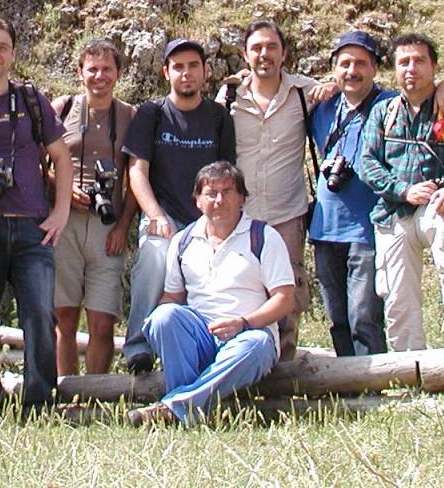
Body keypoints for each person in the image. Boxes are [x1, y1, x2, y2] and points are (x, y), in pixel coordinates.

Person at [0, 17, 74, 413]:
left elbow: (61, 156)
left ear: (13, 54)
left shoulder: (30, 100)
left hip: (32, 228)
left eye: (3, 47)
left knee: (40, 318)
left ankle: (39, 402)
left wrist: (60, 212)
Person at [128, 161, 294, 426]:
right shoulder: (183, 241)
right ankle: (190, 409)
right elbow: (172, 298)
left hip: (246, 336)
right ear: (197, 200)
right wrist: (155, 326)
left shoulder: (263, 237)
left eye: (227, 192)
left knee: (257, 345)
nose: (219, 200)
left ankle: (176, 407)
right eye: (211, 193)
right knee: (163, 317)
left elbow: (285, 299)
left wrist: (244, 323)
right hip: (201, 336)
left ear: (241, 197)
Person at [358, 34, 444, 351]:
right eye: (404, 62)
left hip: (437, 204)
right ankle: (409, 367)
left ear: (435, 66)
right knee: (397, 298)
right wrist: (403, 190)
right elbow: (367, 163)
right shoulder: (383, 113)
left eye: (419, 61)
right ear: (394, 69)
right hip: (395, 212)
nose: (411, 68)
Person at [122, 38, 236, 373]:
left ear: (205, 71)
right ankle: (138, 347)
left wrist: (220, 222)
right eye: (178, 67)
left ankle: (210, 348)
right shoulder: (152, 114)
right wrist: (156, 215)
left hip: (207, 219)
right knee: (155, 257)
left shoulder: (219, 118)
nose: (186, 73)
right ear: (166, 72)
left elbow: (226, 175)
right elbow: (137, 172)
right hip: (164, 217)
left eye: (193, 66)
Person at [215, 19, 317, 360]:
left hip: (287, 212)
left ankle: (284, 370)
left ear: (284, 52)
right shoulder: (229, 96)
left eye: (271, 47)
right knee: (241, 289)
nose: (264, 54)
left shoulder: (305, 93)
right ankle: (244, 365)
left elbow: (345, 95)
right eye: (256, 48)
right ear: (245, 55)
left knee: (287, 294)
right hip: (240, 216)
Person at [51, 39, 137, 376]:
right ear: (80, 72)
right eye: (92, 69)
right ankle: (67, 393)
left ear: (118, 73)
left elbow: (137, 177)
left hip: (107, 226)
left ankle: (97, 393)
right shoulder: (62, 108)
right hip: (65, 221)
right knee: (64, 318)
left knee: (103, 321)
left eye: (107, 69)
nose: (99, 76)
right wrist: (62, 186)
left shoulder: (131, 115)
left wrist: (122, 227)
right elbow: (41, 164)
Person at [308, 31, 391, 357]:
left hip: (368, 227)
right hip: (325, 228)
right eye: (344, 64)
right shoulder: (322, 108)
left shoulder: (389, 104)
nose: (352, 71)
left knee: (364, 316)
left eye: (361, 63)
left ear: (374, 68)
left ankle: (372, 385)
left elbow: (427, 94)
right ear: (333, 69)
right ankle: (346, 385)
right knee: (337, 318)